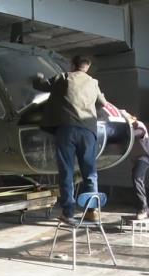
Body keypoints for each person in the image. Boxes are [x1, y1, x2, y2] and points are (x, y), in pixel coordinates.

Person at [33, 55, 108, 222]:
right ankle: (92, 211)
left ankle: (68, 212)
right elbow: (103, 103)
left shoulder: (64, 77)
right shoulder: (93, 82)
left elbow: (41, 85)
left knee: (66, 171)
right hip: (88, 131)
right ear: (87, 67)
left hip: (67, 129)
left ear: (72, 64)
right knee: (90, 173)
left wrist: (38, 76)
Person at [124, 113, 149, 219]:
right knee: (138, 180)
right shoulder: (132, 128)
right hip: (139, 160)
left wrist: (127, 124)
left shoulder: (140, 127)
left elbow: (134, 134)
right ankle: (143, 208)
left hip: (145, 158)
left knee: (137, 178)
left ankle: (143, 209)